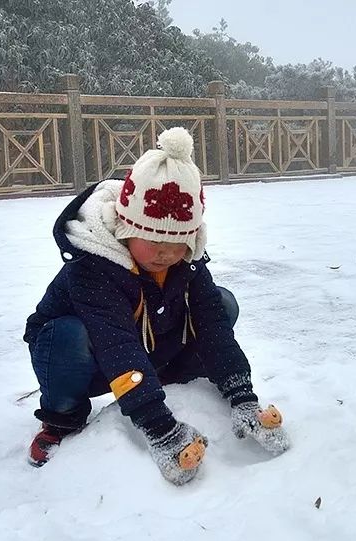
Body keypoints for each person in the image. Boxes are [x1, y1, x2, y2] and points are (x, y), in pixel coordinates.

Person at [23, 127, 288, 485]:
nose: (165, 254)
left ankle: (167, 380)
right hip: (84, 361)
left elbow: (213, 326)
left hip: (144, 346)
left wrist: (242, 395)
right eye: (153, 241)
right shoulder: (92, 267)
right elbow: (117, 346)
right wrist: (159, 427)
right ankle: (61, 421)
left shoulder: (187, 261)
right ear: (125, 227)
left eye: (177, 244)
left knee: (222, 304)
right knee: (69, 335)